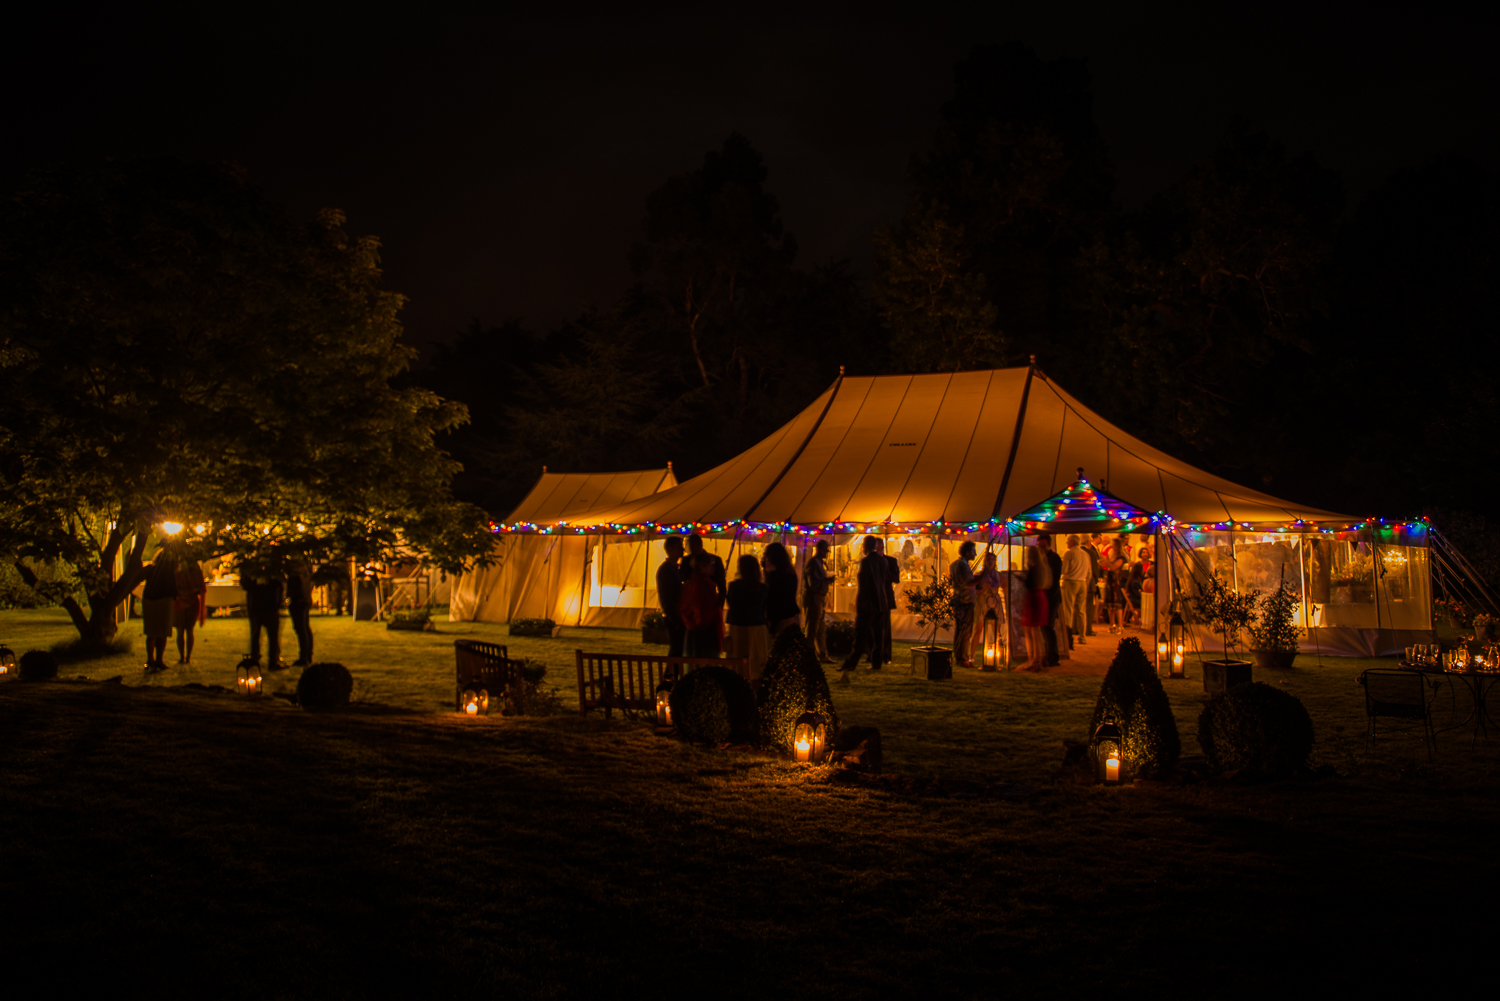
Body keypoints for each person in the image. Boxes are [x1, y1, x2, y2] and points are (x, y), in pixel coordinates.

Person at [839, 535, 889, 682]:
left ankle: (850, 664)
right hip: (881, 602)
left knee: (861, 635)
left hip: (868, 603)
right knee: (878, 635)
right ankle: (876, 662)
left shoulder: (867, 561)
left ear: (865, 546)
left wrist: (859, 603)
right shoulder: (882, 560)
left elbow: (865, 584)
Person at [726, 554, 769, 679]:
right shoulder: (762, 588)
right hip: (757, 626)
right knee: (757, 661)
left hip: (737, 626)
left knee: (737, 660)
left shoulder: (734, 586)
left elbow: (731, 603)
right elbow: (765, 607)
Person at [140, 547, 178, 672]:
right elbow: (173, 587)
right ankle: (156, 659)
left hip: (151, 600)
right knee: (160, 632)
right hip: (162, 600)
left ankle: (153, 659)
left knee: (153, 632)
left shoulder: (151, 569)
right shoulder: (168, 570)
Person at [680, 553, 723, 659]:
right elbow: (702, 607)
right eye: (711, 565)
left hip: (697, 628)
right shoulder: (702, 584)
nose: (713, 568)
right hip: (704, 629)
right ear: (702, 566)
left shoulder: (693, 582)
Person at [243, 559, 285, 669]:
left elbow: (278, 585)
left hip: (264, 606)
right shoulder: (265, 569)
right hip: (262, 606)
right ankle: (263, 659)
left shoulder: (269, 570)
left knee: (265, 635)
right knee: (262, 635)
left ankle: (268, 659)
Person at [171, 548, 206, 665]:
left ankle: (183, 657)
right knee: (188, 630)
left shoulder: (177, 568)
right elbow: (202, 588)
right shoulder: (195, 569)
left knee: (181, 631)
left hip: (179, 602)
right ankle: (187, 657)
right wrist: (202, 611)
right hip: (190, 602)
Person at [803, 539, 834, 663]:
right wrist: (827, 581)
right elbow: (813, 583)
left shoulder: (818, 562)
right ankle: (807, 657)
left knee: (820, 628)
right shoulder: (814, 563)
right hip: (813, 597)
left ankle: (822, 655)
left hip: (819, 597)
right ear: (820, 550)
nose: (826, 553)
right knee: (812, 628)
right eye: (825, 551)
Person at [1036, 533, 1065, 664]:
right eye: (1039, 546)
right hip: (1044, 596)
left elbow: (1054, 580)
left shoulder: (1054, 558)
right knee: (1045, 627)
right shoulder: (1041, 558)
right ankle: (1049, 655)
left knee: (1048, 626)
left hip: (1051, 597)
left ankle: (1053, 656)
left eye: (1043, 546)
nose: (1041, 549)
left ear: (1049, 545)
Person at [1020, 546, 1051, 670]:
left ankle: (1034, 659)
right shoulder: (1042, 568)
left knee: (1031, 631)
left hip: (1033, 597)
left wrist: (1022, 578)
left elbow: (1029, 583)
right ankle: (1036, 658)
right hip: (1040, 596)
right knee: (1036, 630)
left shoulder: (1033, 568)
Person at [656, 536, 687, 657]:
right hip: (673, 617)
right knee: (676, 649)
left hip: (676, 615)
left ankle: (672, 674)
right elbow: (666, 598)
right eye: (679, 547)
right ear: (670, 550)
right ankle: (670, 675)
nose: (683, 550)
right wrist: (675, 620)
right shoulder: (666, 570)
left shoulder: (676, 568)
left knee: (678, 649)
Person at [761, 542, 800, 638]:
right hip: (792, 614)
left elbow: (774, 601)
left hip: (780, 619)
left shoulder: (776, 576)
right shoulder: (790, 572)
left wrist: (772, 627)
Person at [950, 541, 978, 669]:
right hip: (965, 600)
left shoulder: (954, 564)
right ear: (967, 552)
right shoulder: (962, 565)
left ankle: (959, 656)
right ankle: (963, 658)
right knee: (965, 630)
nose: (975, 553)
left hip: (958, 600)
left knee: (959, 629)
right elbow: (968, 583)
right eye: (973, 551)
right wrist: (982, 575)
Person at [972, 549, 1003, 665]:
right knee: (978, 629)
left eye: (992, 560)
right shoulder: (979, 575)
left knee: (996, 630)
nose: (990, 562)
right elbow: (976, 591)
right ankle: (972, 656)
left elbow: (999, 587)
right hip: (982, 602)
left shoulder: (998, 575)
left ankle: (997, 656)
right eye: (988, 560)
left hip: (994, 602)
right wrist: (984, 586)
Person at [1060, 534, 1091, 649]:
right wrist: (1085, 582)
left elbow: (1064, 569)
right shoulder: (1085, 554)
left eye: (1067, 541)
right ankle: (1082, 636)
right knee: (1081, 611)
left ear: (1072, 542)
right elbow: (1089, 573)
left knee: (1068, 610)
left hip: (1070, 581)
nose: (1066, 543)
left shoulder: (1069, 553)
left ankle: (1068, 636)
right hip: (1082, 582)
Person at [286, 558, 315, 666]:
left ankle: (304, 657)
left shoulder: (298, 573)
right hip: (303, 600)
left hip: (299, 600)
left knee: (301, 629)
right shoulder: (306, 570)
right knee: (304, 628)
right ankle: (307, 655)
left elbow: (296, 587)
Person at [683, 534, 726, 603]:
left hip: (708, 600)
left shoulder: (686, 561)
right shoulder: (685, 561)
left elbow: (722, 585)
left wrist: (719, 604)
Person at [881, 538, 900, 663]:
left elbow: (896, 579)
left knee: (885, 627)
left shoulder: (891, 561)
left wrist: (885, 573)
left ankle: (886, 655)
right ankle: (872, 653)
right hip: (872, 597)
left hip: (885, 597)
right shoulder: (869, 561)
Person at [1103, 538, 1127, 633]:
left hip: (1116, 581)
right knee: (1110, 604)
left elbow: (1113, 567)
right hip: (1109, 580)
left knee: (1117, 604)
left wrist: (1106, 561)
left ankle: (1120, 625)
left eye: (1113, 544)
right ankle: (1111, 624)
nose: (1112, 546)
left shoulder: (1121, 557)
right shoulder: (1111, 555)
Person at [1083, 534, 1103, 636]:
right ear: (1088, 542)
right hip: (1089, 583)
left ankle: (1076, 629)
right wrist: (1096, 579)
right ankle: (1087, 629)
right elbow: (1095, 570)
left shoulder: (1070, 552)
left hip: (1075, 582)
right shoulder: (1091, 553)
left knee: (1077, 607)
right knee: (1088, 607)